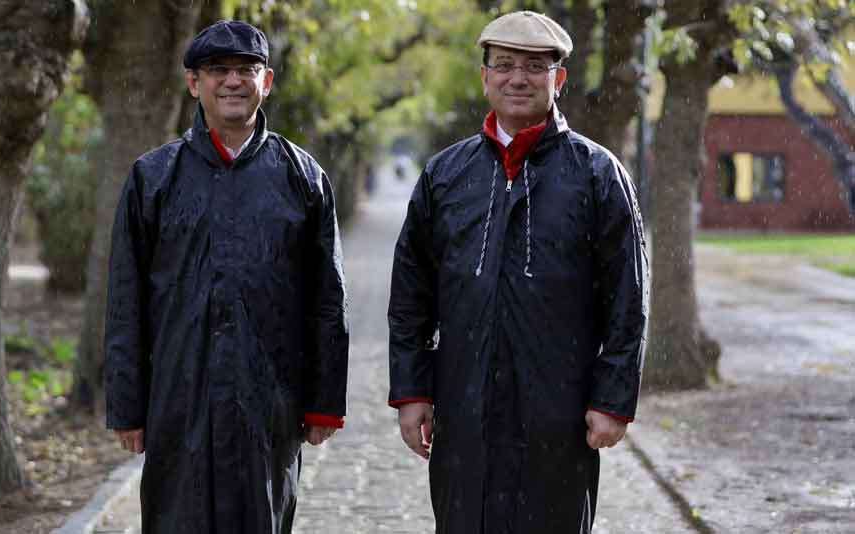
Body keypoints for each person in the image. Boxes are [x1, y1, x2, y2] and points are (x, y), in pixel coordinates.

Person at [388, 10, 648, 534]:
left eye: (534, 66)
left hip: (558, 410)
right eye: (504, 65)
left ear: (560, 78)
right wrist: (412, 392)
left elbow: (628, 295)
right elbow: (411, 292)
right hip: (464, 406)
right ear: (485, 76)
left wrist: (612, 399)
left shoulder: (597, 175)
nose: (518, 78)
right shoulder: (446, 175)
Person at [104, 20, 349, 534]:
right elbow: (126, 299)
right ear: (194, 83)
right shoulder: (154, 178)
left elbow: (327, 297)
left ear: (267, 81)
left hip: (270, 400)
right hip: (178, 397)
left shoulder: (302, 177)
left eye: (246, 69)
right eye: (218, 70)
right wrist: (127, 405)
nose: (233, 81)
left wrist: (324, 402)